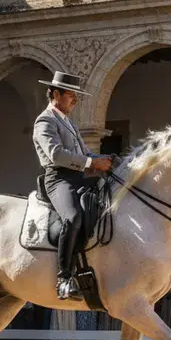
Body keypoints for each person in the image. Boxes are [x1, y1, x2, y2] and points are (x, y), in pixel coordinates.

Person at [32, 70, 113, 299]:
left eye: (76, 96)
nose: (75, 100)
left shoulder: (69, 122)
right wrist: (92, 162)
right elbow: (56, 154)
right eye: (71, 95)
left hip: (78, 177)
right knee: (73, 217)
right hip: (59, 179)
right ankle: (64, 278)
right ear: (56, 94)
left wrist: (105, 159)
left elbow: (85, 152)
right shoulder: (45, 120)